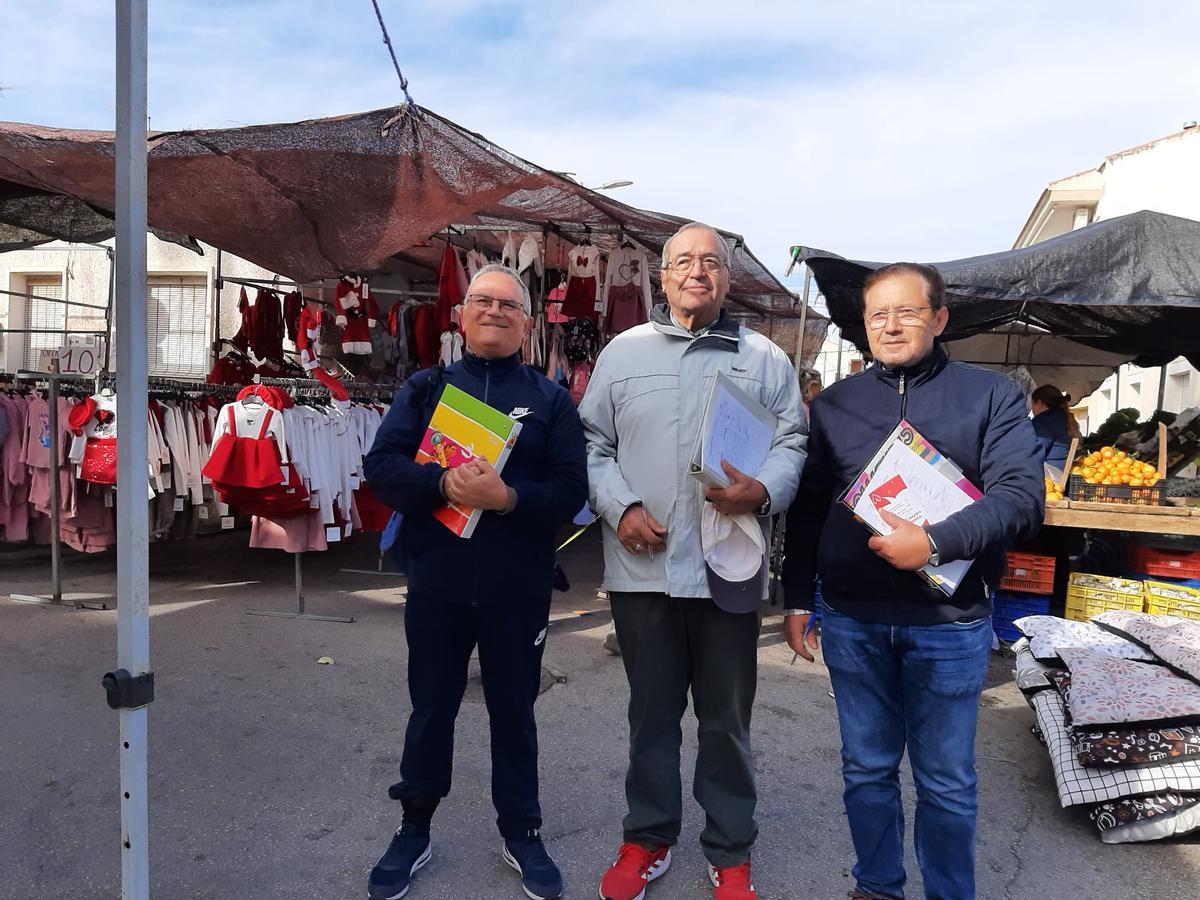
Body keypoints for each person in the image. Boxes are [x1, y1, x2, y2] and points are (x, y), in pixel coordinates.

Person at [781, 262, 1043, 900]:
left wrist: (934, 542)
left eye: (908, 311)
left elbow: (1022, 498)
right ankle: (876, 885)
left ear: (940, 318)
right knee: (866, 770)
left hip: (948, 626)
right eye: (879, 314)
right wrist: (796, 598)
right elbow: (810, 510)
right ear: (865, 325)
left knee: (946, 781)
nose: (891, 325)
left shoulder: (990, 396)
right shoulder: (835, 405)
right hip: (853, 620)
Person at [580, 222, 807, 900]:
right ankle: (647, 838)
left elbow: (792, 442)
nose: (697, 272)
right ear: (663, 274)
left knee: (726, 720)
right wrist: (619, 507)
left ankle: (730, 849)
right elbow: (593, 444)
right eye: (683, 261)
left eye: (711, 262)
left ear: (728, 278)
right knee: (650, 716)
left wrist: (762, 489)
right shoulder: (623, 353)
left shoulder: (764, 358)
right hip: (642, 568)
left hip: (728, 566)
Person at [363, 264, 588, 900]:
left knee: (514, 711)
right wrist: (441, 483)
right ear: (461, 316)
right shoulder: (426, 388)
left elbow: (572, 490)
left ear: (527, 323)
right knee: (431, 707)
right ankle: (413, 827)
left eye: (508, 305)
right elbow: (381, 467)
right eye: (482, 301)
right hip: (436, 583)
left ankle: (522, 831)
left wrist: (507, 498)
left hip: (518, 589)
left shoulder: (551, 400)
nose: (494, 311)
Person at [1029, 384, 1079, 470]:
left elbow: (1031, 452)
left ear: (1039, 402)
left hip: (1047, 474)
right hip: (1060, 471)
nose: (1032, 409)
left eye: (1032, 404)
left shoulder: (1043, 421)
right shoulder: (1066, 417)